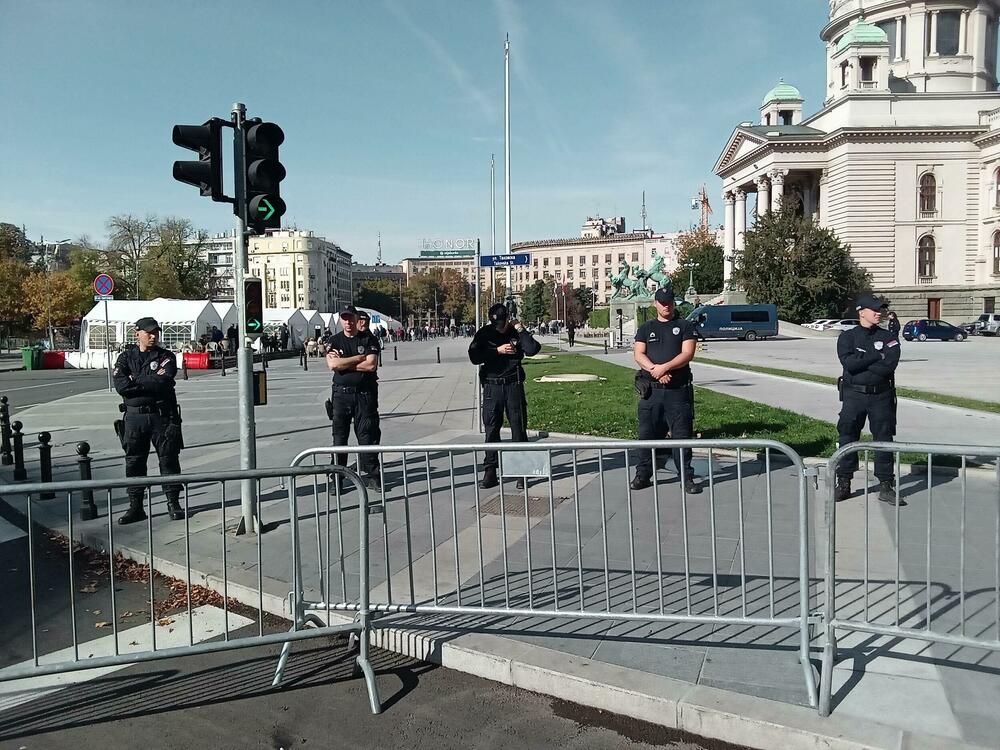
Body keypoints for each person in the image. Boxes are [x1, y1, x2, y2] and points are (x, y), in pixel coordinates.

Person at [112, 317, 185, 524]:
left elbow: (165, 381)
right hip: (134, 416)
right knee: (134, 461)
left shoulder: (166, 356)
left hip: (161, 415)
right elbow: (121, 386)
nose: (153, 336)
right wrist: (148, 378)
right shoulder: (126, 357)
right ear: (138, 333)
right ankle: (135, 506)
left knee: (168, 459)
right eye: (149, 333)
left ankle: (173, 503)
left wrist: (136, 379)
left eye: (156, 333)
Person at [630, 287, 702, 494]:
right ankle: (642, 475)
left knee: (682, 436)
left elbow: (687, 354)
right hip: (651, 392)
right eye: (662, 302)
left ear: (673, 303)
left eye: (669, 302)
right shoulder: (646, 328)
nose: (666, 305)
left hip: (677, 392)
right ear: (655, 304)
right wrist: (656, 370)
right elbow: (639, 354)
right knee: (646, 436)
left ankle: (687, 478)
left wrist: (665, 367)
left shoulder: (685, 326)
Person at [835, 294, 902, 505]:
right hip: (854, 394)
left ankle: (885, 485)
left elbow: (889, 365)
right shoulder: (848, 337)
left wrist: (863, 358)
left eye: (880, 309)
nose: (879, 313)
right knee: (847, 436)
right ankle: (844, 482)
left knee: (883, 439)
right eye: (874, 309)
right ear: (861, 311)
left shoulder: (889, 336)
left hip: (881, 395)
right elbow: (850, 365)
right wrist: (875, 355)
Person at [468, 303, 541, 489]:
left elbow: (532, 349)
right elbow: (474, 356)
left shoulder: (515, 332)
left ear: (508, 318)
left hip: (513, 386)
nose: (500, 326)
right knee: (491, 429)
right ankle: (490, 472)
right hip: (493, 387)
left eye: (503, 322)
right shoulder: (485, 333)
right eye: (497, 323)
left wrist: (520, 328)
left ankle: (520, 473)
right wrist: (496, 351)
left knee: (518, 428)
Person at [326, 304, 381, 492]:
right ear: (341, 320)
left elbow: (371, 365)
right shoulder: (334, 340)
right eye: (345, 318)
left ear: (357, 320)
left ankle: (373, 475)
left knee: (367, 436)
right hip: (341, 395)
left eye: (351, 318)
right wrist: (358, 358)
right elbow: (333, 365)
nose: (348, 322)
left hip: (365, 395)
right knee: (339, 439)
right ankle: (338, 479)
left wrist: (345, 363)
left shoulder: (368, 339)